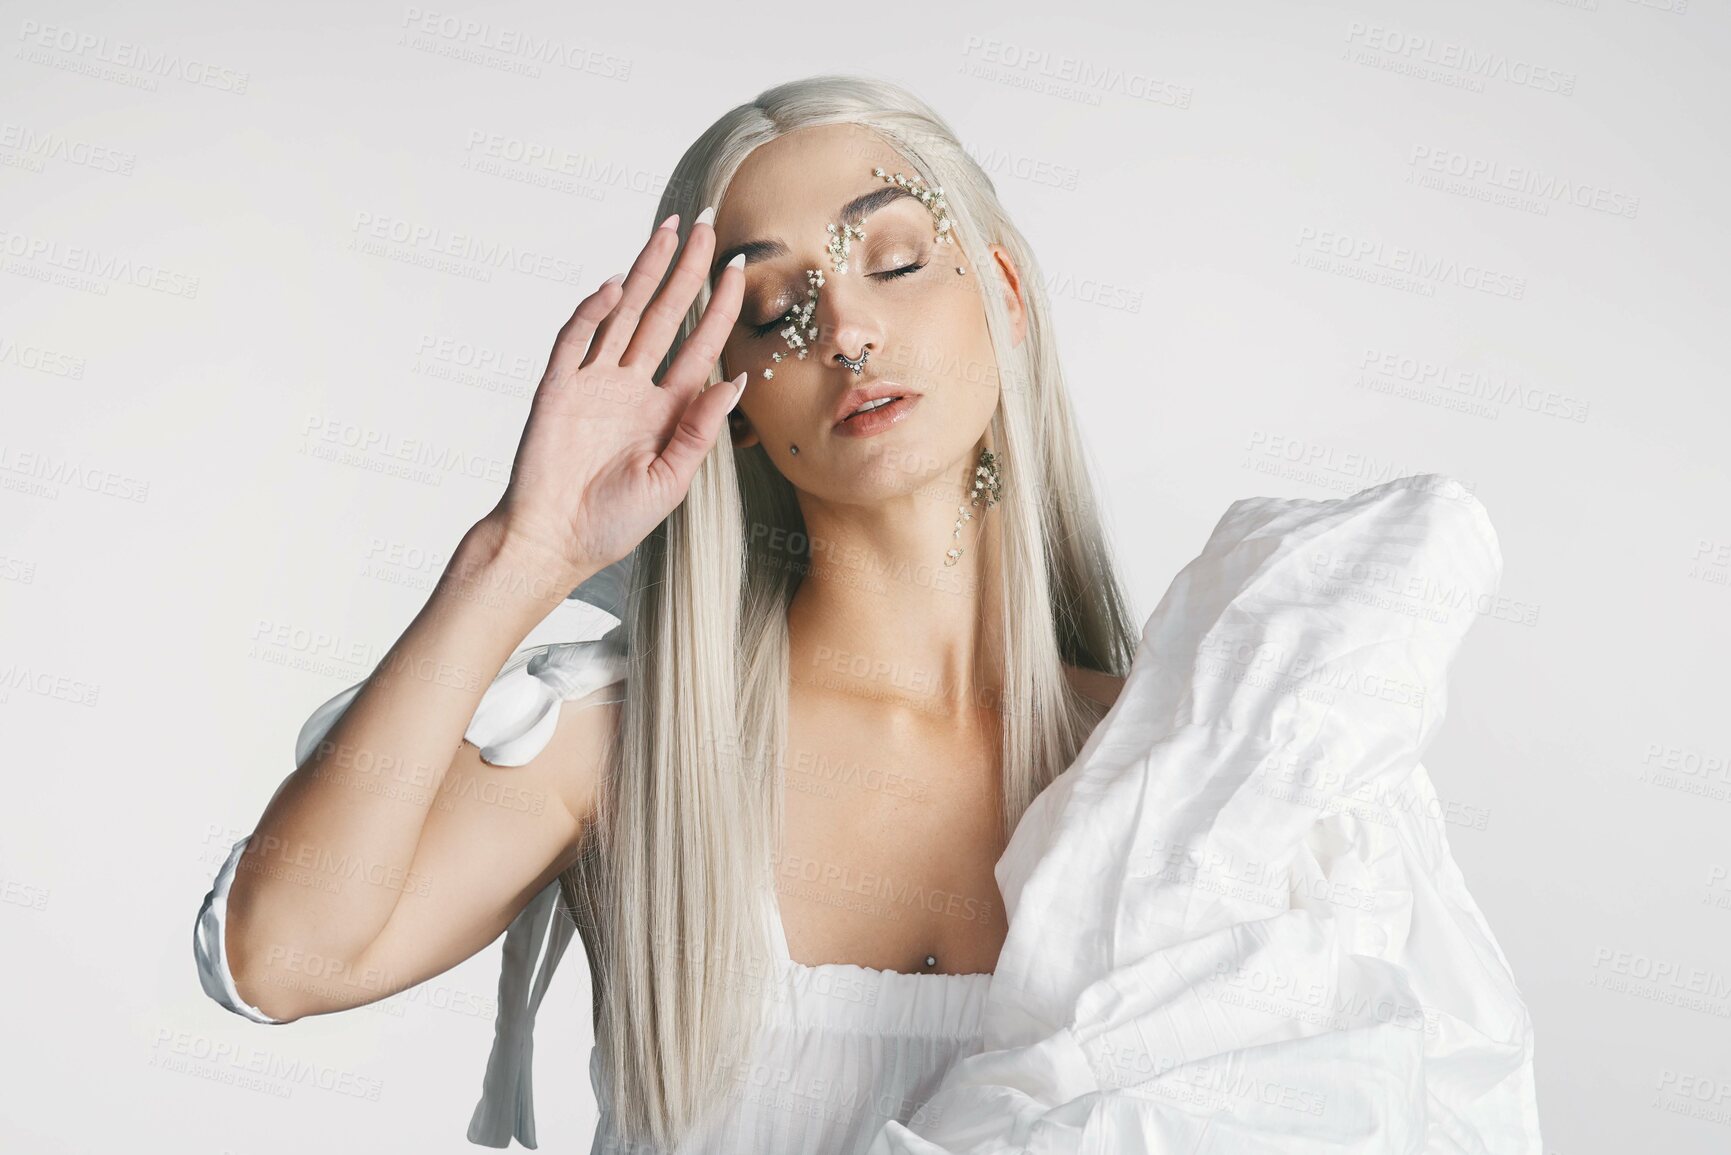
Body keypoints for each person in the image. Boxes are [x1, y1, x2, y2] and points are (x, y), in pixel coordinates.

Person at [195, 76, 1541, 1153]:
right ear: (719, 394)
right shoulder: (627, 752)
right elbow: (284, 956)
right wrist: (524, 548)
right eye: (775, 310)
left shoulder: (1206, 776)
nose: (844, 330)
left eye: (893, 261)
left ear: (1003, 293)